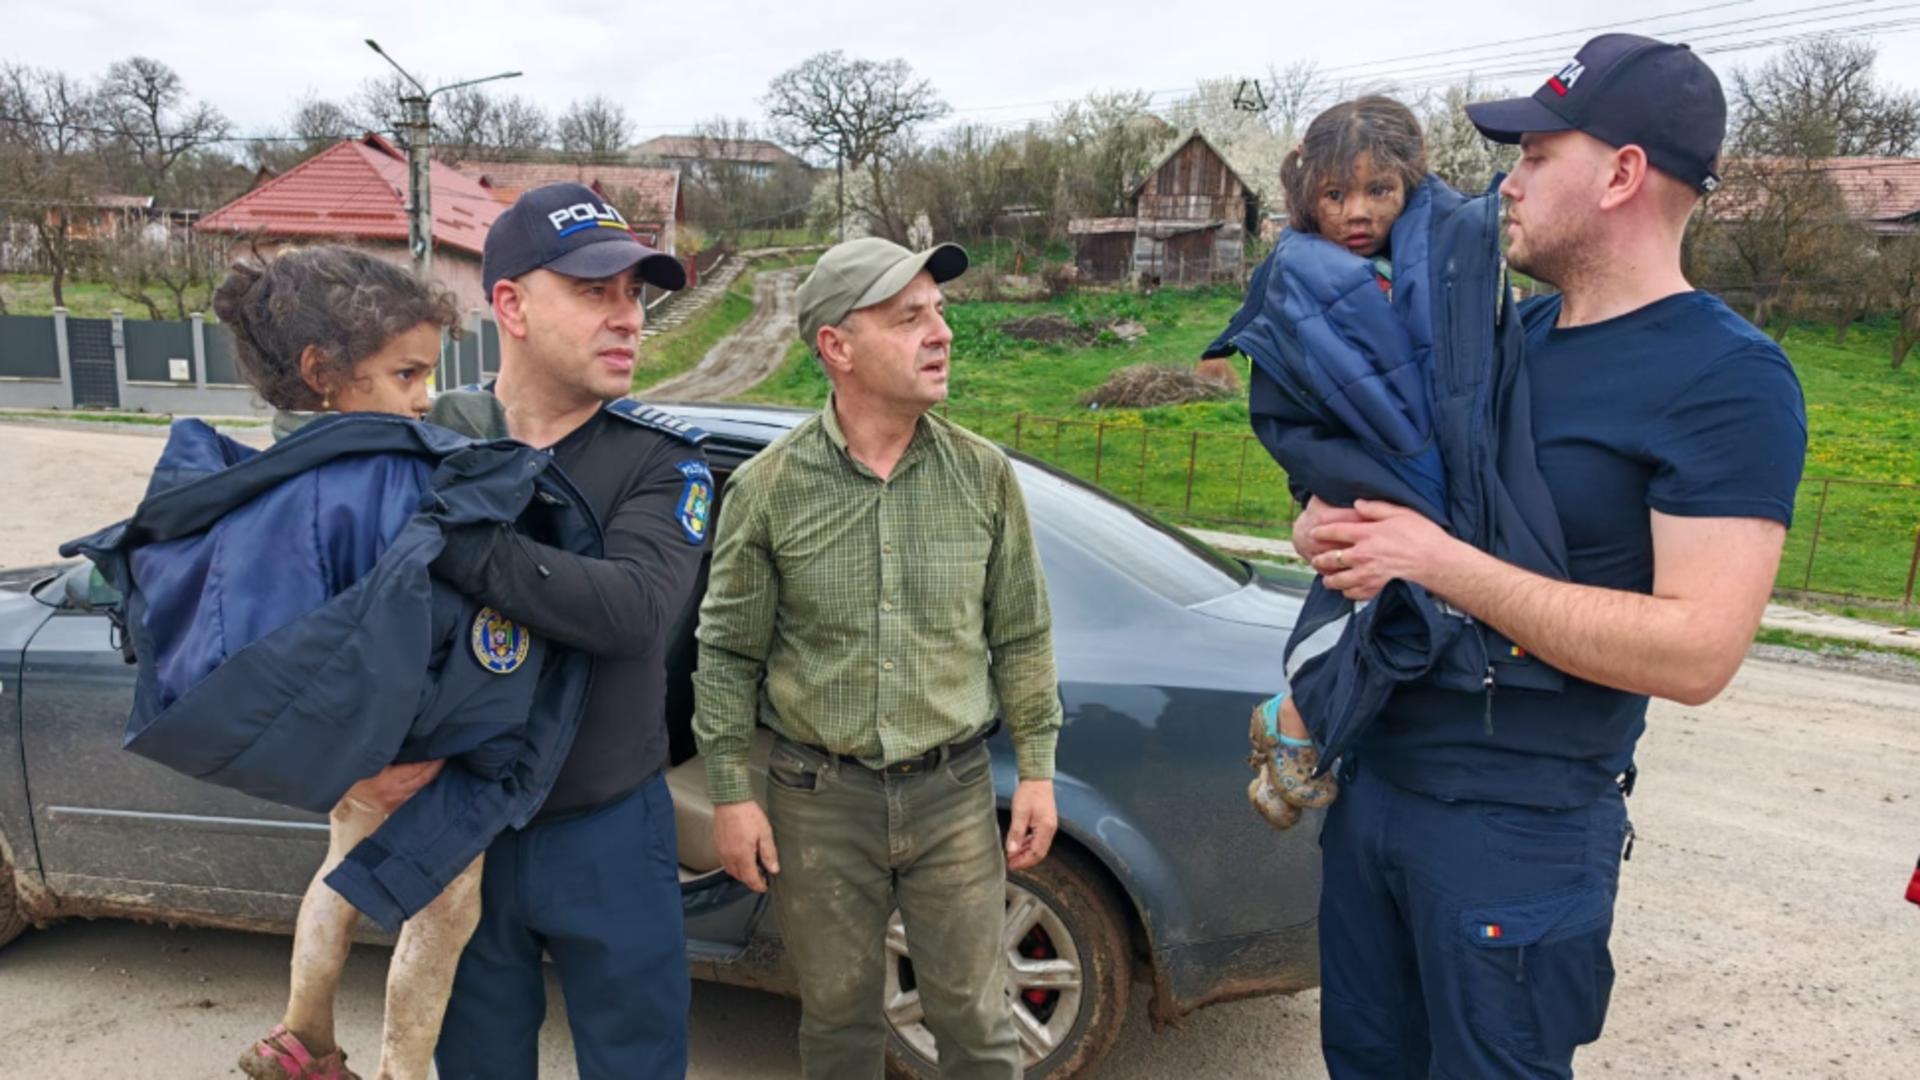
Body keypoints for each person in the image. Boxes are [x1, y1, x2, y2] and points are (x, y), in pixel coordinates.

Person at [1290, 35, 1807, 1077]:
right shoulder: (1500, 337)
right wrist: (1325, 522)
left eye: (1534, 155)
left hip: (1514, 831)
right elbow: (1389, 498)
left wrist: (1436, 562)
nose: (1506, 181)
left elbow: (1696, 651)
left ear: (1621, 173)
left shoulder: (1727, 379)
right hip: (1377, 790)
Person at [692, 237, 1063, 1080]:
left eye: (939, 311)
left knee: (975, 1017)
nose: (941, 333)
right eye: (909, 318)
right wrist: (728, 794)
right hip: (816, 801)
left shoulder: (983, 476)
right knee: (837, 1023)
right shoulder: (769, 489)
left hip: (954, 794)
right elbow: (725, 654)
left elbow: (1023, 635)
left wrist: (1036, 769)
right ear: (837, 347)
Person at [428, 182, 711, 1080]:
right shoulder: (428, 442)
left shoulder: (660, 462)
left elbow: (629, 611)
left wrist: (458, 542)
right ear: (508, 302)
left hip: (609, 831)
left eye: (634, 295)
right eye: (596, 291)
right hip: (456, 822)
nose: (628, 317)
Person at [197, 246, 485, 1080]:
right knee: (445, 908)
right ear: (323, 371)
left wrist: (344, 759)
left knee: (343, 870)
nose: (426, 397)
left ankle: (304, 1035)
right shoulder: (372, 477)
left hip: (350, 751)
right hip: (412, 743)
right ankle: (402, 1073)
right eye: (405, 374)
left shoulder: (279, 471)